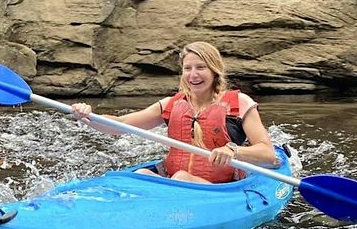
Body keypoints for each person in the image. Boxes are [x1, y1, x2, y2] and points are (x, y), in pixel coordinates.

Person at [70, 41, 279, 183]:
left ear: (215, 71)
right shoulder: (170, 104)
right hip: (174, 183)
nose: (193, 75)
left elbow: (267, 154)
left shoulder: (240, 103)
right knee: (143, 174)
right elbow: (120, 125)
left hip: (219, 187)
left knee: (181, 177)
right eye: (188, 69)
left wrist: (233, 150)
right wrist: (88, 116)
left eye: (201, 68)